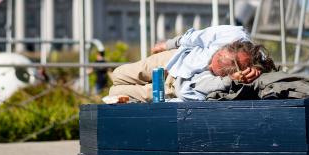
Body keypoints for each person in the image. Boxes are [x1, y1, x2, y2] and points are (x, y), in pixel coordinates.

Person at [107, 25, 276, 102]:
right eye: (213, 60)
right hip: (176, 60)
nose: (208, 68)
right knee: (118, 75)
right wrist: (168, 44)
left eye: (214, 71)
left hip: (175, 88)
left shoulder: (241, 75)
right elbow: (195, 37)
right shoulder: (233, 33)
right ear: (228, 47)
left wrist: (240, 78)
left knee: (115, 91)